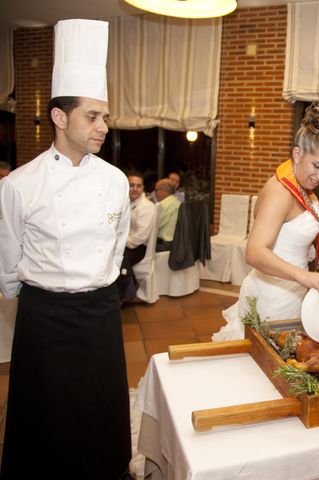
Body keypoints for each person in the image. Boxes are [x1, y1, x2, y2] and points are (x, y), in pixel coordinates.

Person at [0, 20, 132, 479]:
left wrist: (101, 283)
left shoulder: (115, 181)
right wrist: (41, 297)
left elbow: (118, 243)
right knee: (46, 420)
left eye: (106, 116)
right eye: (92, 117)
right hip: (44, 317)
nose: (103, 127)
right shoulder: (19, 185)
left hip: (99, 312)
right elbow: (8, 262)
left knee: (100, 411)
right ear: (60, 117)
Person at [213, 102, 319, 340]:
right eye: (317, 165)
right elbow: (254, 252)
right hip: (274, 298)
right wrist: (305, 277)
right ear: (297, 154)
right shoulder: (280, 192)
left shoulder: (303, 185)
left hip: (294, 292)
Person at [117, 171, 155, 300]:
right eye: (131, 185)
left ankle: (123, 292)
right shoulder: (125, 201)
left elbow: (140, 236)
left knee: (116, 256)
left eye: (138, 186)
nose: (135, 189)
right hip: (126, 242)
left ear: (143, 188)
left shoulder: (146, 207)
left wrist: (120, 243)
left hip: (138, 248)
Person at [155, 177, 181, 251]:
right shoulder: (176, 202)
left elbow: (153, 226)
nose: (155, 193)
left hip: (163, 245)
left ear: (164, 190)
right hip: (175, 243)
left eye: (156, 190)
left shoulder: (163, 205)